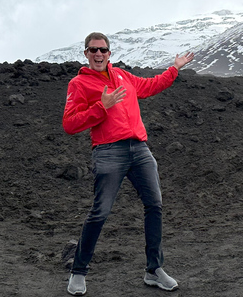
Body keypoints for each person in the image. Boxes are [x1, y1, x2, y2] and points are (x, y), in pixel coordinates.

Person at [62, 32, 194, 295]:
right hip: (108, 152)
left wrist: (174, 69)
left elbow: (150, 86)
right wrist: (102, 106)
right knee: (100, 212)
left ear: (109, 53)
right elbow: (70, 123)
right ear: (85, 54)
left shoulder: (123, 76)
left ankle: (154, 270)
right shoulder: (79, 83)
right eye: (93, 50)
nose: (98, 54)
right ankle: (78, 272)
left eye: (102, 50)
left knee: (154, 204)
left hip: (139, 149)